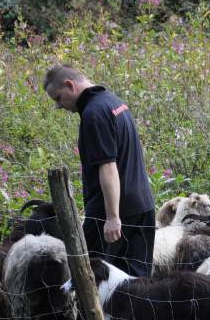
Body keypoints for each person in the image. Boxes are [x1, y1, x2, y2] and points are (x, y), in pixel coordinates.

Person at [43, 64, 156, 278]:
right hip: (142, 206)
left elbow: (108, 166)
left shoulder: (94, 114)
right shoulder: (114, 102)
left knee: (93, 280)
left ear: (70, 85)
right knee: (137, 284)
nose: (59, 106)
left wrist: (112, 217)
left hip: (114, 214)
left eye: (58, 98)